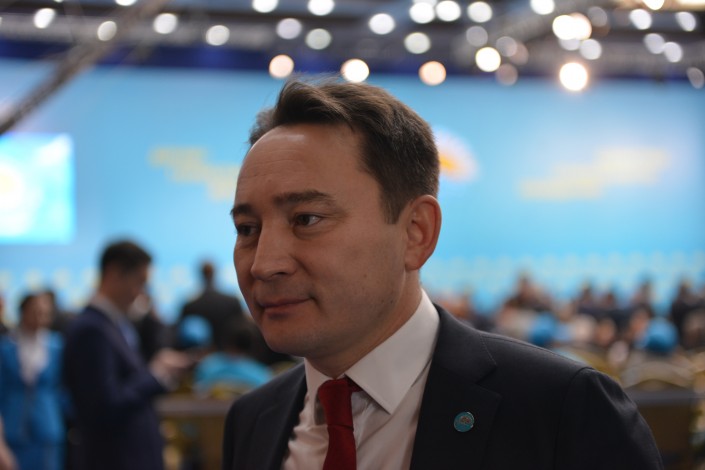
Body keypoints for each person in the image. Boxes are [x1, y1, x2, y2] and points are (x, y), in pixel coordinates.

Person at [222, 78, 662, 469]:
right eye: (247, 229)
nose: (263, 264)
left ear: (416, 233)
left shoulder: (561, 410)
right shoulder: (252, 421)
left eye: (307, 219)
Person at [62, 240, 192, 470]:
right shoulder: (92, 329)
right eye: (139, 282)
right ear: (114, 274)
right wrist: (155, 375)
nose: (141, 293)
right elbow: (104, 404)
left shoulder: (113, 325)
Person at [0, 293, 66, 470]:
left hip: (47, 425)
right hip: (14, 426)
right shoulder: (7, 346)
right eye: (35, 312)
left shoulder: (57, 345)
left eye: (45, 313)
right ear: (23, 312)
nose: (40, 317)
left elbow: (63, 387)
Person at [178, 260, 246, 351]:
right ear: (214, 274)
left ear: (201, 275)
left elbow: (180, 337)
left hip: (200, 356)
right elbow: (243, 331)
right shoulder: (232, 302)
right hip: (231, 354)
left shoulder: (190, 306)